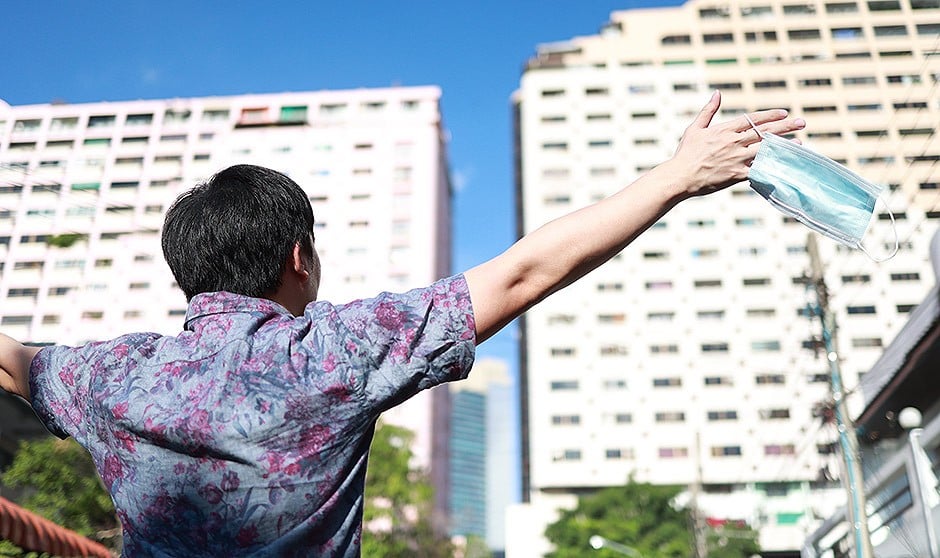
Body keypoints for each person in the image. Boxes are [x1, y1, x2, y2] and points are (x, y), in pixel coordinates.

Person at [0, 91, 805, 556]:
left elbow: (12, 361)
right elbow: (524, 272)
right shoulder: (333, 351)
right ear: (297, 258)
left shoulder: (108, 375)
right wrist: (675, 177)